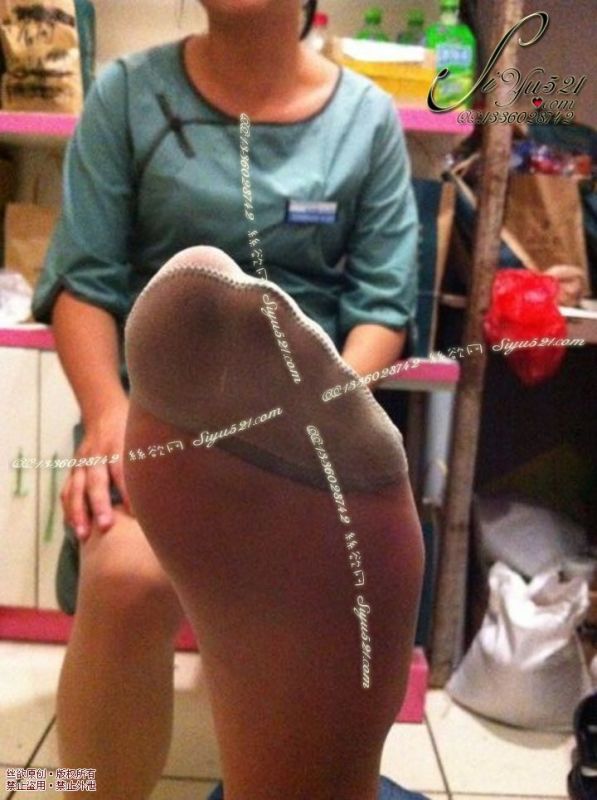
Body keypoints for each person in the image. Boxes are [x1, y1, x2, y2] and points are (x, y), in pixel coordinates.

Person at [31, 1, 423, 797]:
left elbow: (382, 309)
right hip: (154, 418)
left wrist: (319, 413)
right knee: (126, 577)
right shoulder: (125, 94)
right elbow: (82, 283)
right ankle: (75, 792)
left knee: (313, 584)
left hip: (304, 420)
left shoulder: (367, 119)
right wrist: (106, 415)